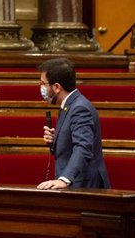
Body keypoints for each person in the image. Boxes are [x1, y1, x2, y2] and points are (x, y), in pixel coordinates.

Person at [36, 58, 110, 190]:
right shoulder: (69, 105)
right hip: (77, 184)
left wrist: (65, 179)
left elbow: (83, 147)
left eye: (43, 83)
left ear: (57, 87)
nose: (41, 88)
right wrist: (56, 140)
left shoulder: (79, 108)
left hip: (84, 187)